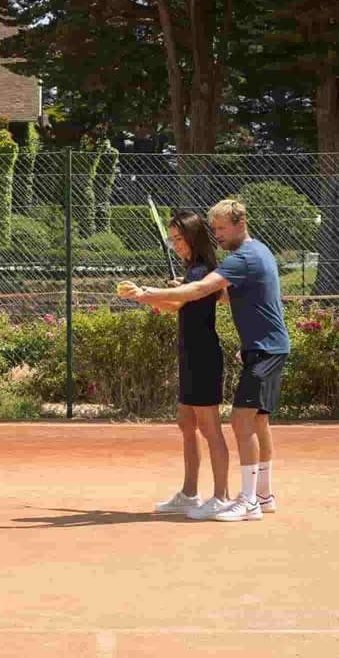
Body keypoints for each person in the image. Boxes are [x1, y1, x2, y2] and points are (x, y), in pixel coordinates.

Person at [119, 199, 289, 522]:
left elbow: (199, 290)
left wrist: (147, 293)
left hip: (248, 350)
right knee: (251, 422)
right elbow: (216, 295)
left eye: (222, 229)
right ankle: (259, 495)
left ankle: (242, 499)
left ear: (242, 223)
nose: (218, 236)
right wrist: (176, 292)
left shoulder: (240, 259)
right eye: (215, 230)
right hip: (260, 347)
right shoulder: (256, 253)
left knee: (239, 423)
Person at [118, 211, 230, 519]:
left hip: (204, 357)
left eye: (179, 239)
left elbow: (180, 299)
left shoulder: (203, 271)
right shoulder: (194, 272)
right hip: (190, 356)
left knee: (210, 428)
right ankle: (190, 494)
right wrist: (143, 297)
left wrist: (144, 293)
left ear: (193, 237)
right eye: (172, 239)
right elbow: (176, 305)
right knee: (186, 423)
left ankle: (222, 497)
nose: (175, 244)